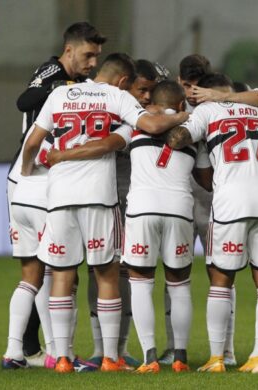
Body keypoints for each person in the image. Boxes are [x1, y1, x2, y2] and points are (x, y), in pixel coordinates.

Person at [22, 53, 189, 373]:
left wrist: (31, 171)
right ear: (124, 81)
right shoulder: (115, 97)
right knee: (107, 274)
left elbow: (32, 141)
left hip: (59, 197)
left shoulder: (59, 93)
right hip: (99, 196)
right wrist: (185, 116)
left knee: (61, 275)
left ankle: (63, 358)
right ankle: (111, 356)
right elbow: (148, 126)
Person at [166, 73, 258, 374]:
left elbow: (177, 139)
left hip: (230, 204)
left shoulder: (207, 111)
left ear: (208, 92)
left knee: (221, 280)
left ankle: (217, 358)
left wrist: (182, 127)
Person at [2, 22, 106, 370]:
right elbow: (25, 100)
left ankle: (19, 351)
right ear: (69, 50)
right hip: (36, 175)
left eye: (97, 57)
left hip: (32, 177)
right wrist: (64, 86)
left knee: (35, 272)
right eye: (88, 55)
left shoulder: (84, 86)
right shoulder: (52, 70)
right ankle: (56, 353)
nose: (92, 62)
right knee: (58, 269)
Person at [122, 80, 212, 374]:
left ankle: (149, 359)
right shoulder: (193, 134)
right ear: (182, 104)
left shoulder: (135, 124)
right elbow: (204, 177)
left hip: (142, 209)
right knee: (179, 285)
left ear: (153, 103)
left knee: (141, 283)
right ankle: (180, 358)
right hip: (179, 210)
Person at [87, 58, 162, 368]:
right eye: (142, 90)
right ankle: (99, 348)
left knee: (128, 271)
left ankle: (121, 346)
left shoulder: (145, 116)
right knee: (100, 270)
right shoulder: (112, 113)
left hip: (135, 203)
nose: (146, 97)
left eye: (151, 92)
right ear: (126, 86)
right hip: (107, 199)